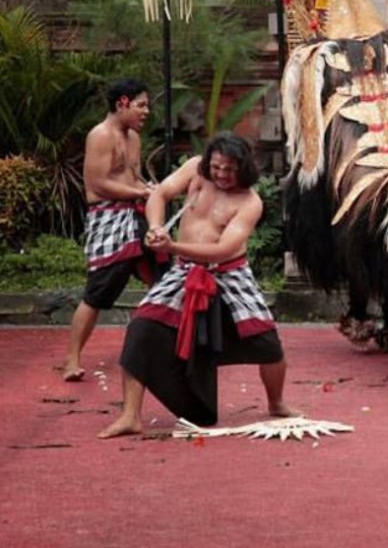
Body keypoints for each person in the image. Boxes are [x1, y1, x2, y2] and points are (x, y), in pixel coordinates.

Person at [99, 133, 294, 439]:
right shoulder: (195, 170)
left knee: (267, 341)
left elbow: (222, 250)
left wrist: (172, 246)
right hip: (184, 269)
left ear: (243, 168)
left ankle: (276, 402)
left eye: (228, 170)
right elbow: (159, 195)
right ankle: (130, 414)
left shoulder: (249, 201)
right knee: (141, 326)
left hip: (229, 272)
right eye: (216, 167)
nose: (220, 174)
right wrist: (154, 227)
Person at [63, 78, 158, 382]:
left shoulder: (133, 139)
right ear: (123, 103)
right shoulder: (100, 135)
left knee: (166, 277)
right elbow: (98, 184)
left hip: (135, 215)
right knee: (97, 292)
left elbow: (133, 178)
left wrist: (150, 189)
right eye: (141, 105)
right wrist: (139, 193)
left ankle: (170, 346)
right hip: (108, 219)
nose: (146, 112)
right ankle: (72, 360)